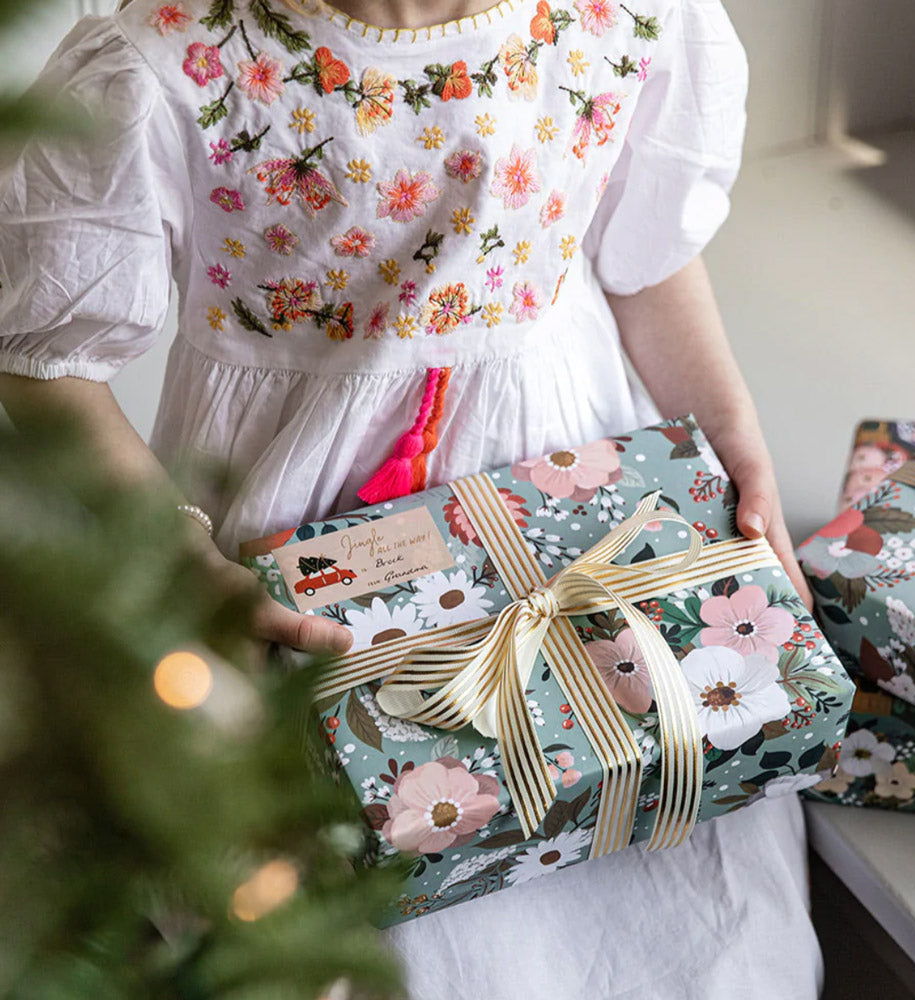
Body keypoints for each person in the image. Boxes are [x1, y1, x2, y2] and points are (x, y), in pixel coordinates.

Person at [0, 0, 822, 996]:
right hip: (297, 532)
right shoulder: (172, 59)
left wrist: (729, 428)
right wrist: (180, 559)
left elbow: (642, 256)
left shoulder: (626, 15)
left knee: (637, 827)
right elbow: (49, 354)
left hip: (571, 497)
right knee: (347, 896)